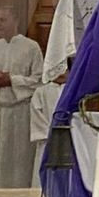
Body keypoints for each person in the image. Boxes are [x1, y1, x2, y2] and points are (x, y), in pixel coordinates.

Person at [0, 6, 44, 188]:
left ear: (15, 21)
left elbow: (39, 80)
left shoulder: (31, 47)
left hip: (20, 113)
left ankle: (20, 194)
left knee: (19, 158)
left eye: (3, 20)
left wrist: (11, 80)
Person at [30, 59, 69, 188]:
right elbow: (37, 114)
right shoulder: (41, 91)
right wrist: (50, 133)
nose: (61, 73)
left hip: (68, 139)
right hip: (47, 140)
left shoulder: (70, 90)